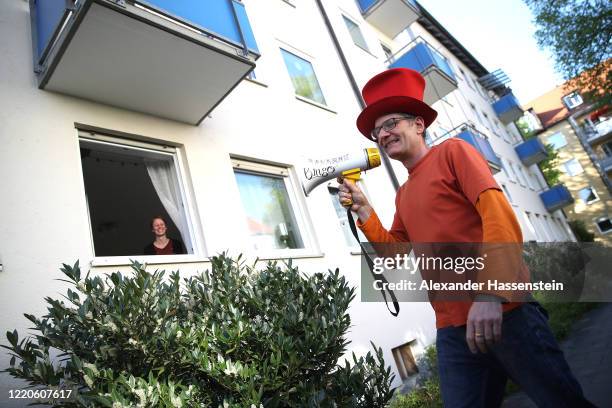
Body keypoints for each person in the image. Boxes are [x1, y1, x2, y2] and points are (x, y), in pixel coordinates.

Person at [338, 68, 595, 408]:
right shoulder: (404, 194)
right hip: (453, 330)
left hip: (508, 313)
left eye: (390, 123)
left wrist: (491, 294)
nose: (382, 134)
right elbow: (395, 255)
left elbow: (499, 216)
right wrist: (364, 210)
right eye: (376, 131)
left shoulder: (454, 153)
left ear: (419, 124)